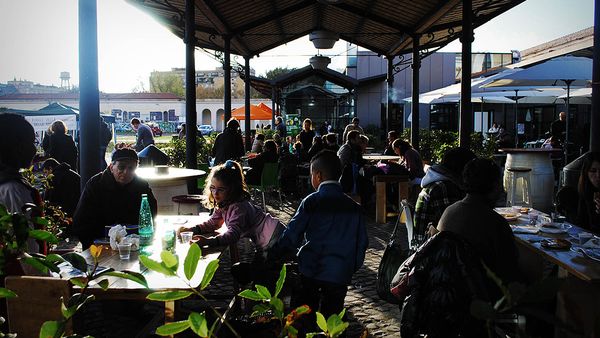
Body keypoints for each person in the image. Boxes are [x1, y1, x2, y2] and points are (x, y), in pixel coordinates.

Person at [270, 150, 368, 321]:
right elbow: (362, 243)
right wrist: (350, 267)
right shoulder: (354, 207)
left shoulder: (312, 201)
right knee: (332, 317)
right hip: (340, 273)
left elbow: (292, 235)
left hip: (311, 270)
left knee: (304, 318)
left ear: (318, 175)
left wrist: (274, 253)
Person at [179, 160, 286, 285]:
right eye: (212, 188)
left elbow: (233, 234)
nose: (215, 193)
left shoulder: (238, 207)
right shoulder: (225, 203)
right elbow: (214, 223)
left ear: (232, 189)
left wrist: (208, 242)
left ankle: (267, 299)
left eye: (221, 190)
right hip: (269, 237)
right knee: (260, 273)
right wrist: (192, 230)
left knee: (264, 279)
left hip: (274, 239)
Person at [437, 158, 519, 285]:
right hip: (483, 296)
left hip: (448, 288)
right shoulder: (495, 223)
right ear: (495, 185)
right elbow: (510, 271)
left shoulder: (449, 211)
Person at [72, 148, 157, 249]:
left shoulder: (141, 185)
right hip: (99, 243)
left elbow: (151, 214)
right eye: (121, 167)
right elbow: (81, 221)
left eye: (131, 168)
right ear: (111, 167)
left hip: (133, 243)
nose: (126, 172)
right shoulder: (95, 184)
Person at [0, 113, 42, 254]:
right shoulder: (13, 189)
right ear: (15, 146)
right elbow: (26, 255)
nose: (34, 150)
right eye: (31, 142)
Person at [414, 148, 476, 241]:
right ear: (462, 169)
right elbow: (453, 225)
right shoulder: (443, 188)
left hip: (429, 243)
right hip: (432, 249)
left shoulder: (439, 182)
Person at [576, 151, 600, 233]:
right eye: (593, 171)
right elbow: (581, 224)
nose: (598, 175)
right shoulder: (586, 191)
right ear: (586, 172)